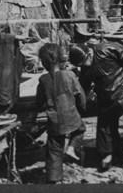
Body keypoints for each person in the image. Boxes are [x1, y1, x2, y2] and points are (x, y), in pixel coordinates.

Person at [69, 41, 123, 171]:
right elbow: (83, 86)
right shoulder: (85, 69)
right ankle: (108, 154)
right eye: (80, 65)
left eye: (83, 62)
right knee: (104, 125)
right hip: (107, 99)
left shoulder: (104, 48)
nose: (83, 66)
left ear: (89, 54)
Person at [35, 43, 86, 184]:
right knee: (81, 129)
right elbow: (81, 98)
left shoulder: (43, 80)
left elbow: (38, 102)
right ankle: (71, 148)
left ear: (44, 63)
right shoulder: (69, 75)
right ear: (60, 59)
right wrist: (81, 110)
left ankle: (54, 179)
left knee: (54, 150)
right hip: (72, 117)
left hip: (54, 121)